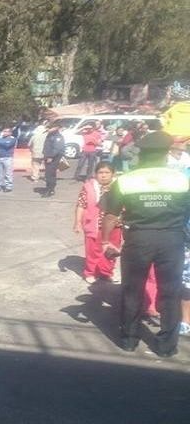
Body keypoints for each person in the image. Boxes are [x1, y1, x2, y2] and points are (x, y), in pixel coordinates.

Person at [102, 131, 190, 357]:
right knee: (170, 291)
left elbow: (110, 215)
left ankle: (129, 340)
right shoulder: (182, 180)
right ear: (166, 153)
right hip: (172, 240)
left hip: (138, 239)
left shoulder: (125, 180)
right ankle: (166, 346)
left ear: (141, 154)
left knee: (132, 289)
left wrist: (106, 242)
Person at [73, 162, 119, 284]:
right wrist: (77, 222)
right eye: (100, 172)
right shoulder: (88, 187)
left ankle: (106, 273)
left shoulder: (119, 187)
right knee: (93, 251)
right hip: (95, 225)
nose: (103, 175)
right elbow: (81, 205)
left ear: (113, 174)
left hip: (115, 225)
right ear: (95, 174)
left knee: (111, 250)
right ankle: (90, 272)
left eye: (107, 172)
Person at [42, 122, 66, 197]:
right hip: (48, 157)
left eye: (50, 128)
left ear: (56, 128)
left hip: (53, 158)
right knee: (48, 174)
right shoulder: (50, 135)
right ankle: (49, 188)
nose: (48, 129)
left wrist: (50, 157)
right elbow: (47, 146)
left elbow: (57, 148)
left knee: (50, 174)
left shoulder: (58, 137)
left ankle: (50, 190)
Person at [0, 127, 16, 192]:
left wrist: (0, 143)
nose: (4, 133)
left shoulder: (12, 139)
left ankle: (8, 186)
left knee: (8, 173)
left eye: (6, 131)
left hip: (8, 158)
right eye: (4, 131)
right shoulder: (0, 138)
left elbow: (7, 145)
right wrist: (0, 140)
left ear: (10, 133)